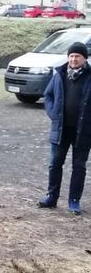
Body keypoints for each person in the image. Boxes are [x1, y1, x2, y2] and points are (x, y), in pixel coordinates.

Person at [38, 41, 91, 214]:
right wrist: (53, 114)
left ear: (85, 58)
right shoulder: (59, 74)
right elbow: (48, 95)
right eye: (71, 56)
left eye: (78, 56)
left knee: (79, 166)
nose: (74, 59)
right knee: (55, 164)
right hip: (60, 129)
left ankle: (74, 201)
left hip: (83, 131)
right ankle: (51, 197)